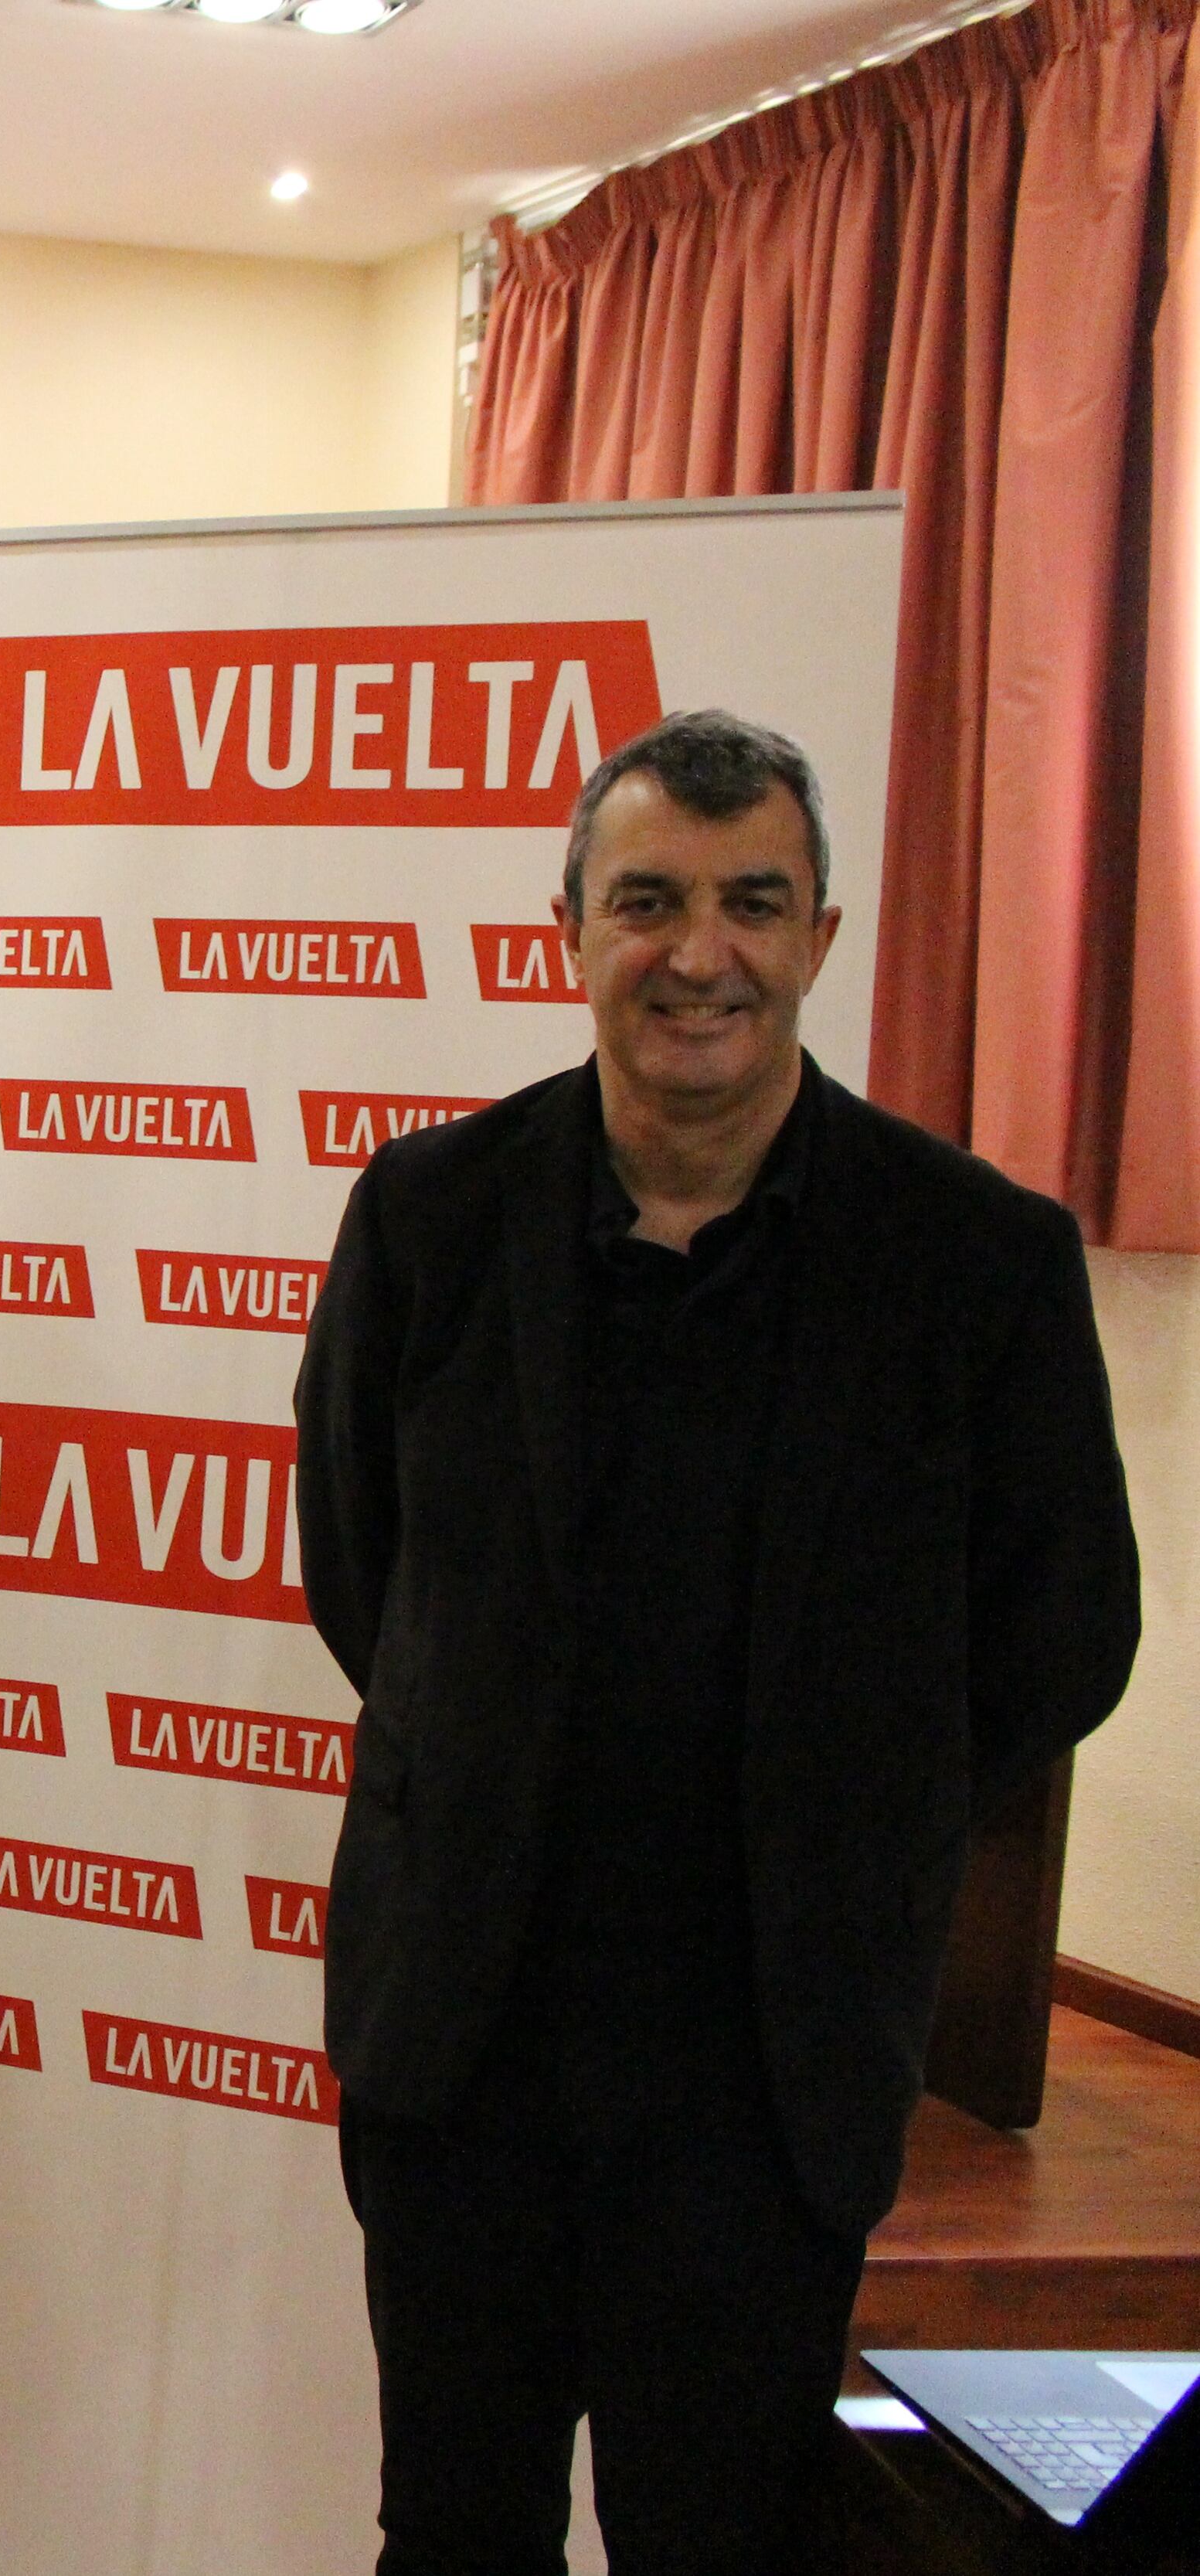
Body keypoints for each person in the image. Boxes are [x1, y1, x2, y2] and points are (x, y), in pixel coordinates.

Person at [294, 710, 1141, 2574]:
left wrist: (860, 1791)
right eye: (648, 901)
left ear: (820, 936)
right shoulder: (428, 1216)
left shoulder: (978, 1259)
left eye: (753, 902)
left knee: (719, 2536)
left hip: (766, 2067)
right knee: (450, 2525)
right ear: (568, 932)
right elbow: (362, 1567)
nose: (700, 954)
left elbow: (1063, 1627)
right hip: (463, 2039)